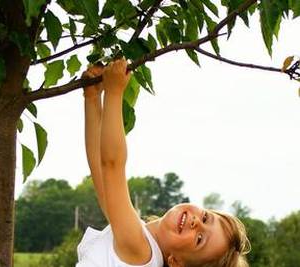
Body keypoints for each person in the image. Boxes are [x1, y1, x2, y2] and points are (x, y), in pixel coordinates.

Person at [78, 58, 251, 267]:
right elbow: (101, 172)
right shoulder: (136, 235)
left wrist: (114, 93)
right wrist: (93, 97)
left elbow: (112, 165)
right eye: (205, 218)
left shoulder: (141, 253)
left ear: (176, 262)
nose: (197, 223)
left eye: (199, 239)